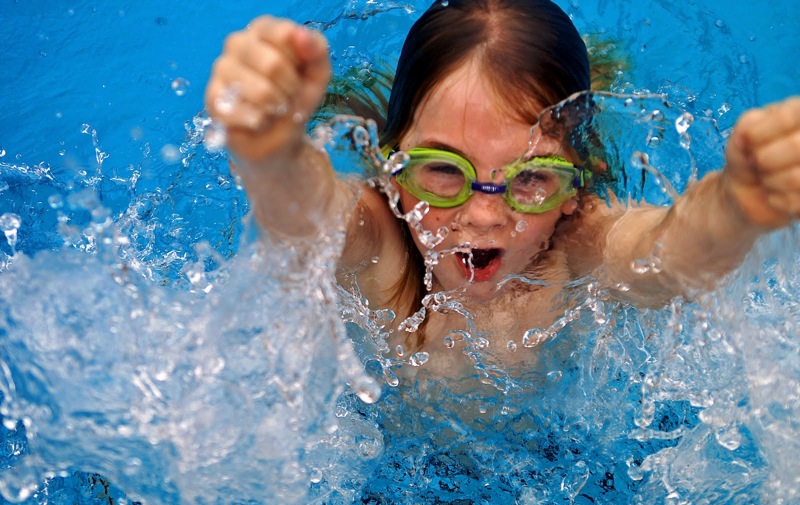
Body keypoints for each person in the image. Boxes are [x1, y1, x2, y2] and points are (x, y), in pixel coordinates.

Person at [205, 0, 800, 378]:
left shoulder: (576, 243)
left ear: (573, 185)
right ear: (391, 166)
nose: (485, 215)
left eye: (532, 178)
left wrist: (734, 205)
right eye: (442, 170)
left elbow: (663, 256)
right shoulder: (382, 242)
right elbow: (307, 218)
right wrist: (270, 153)